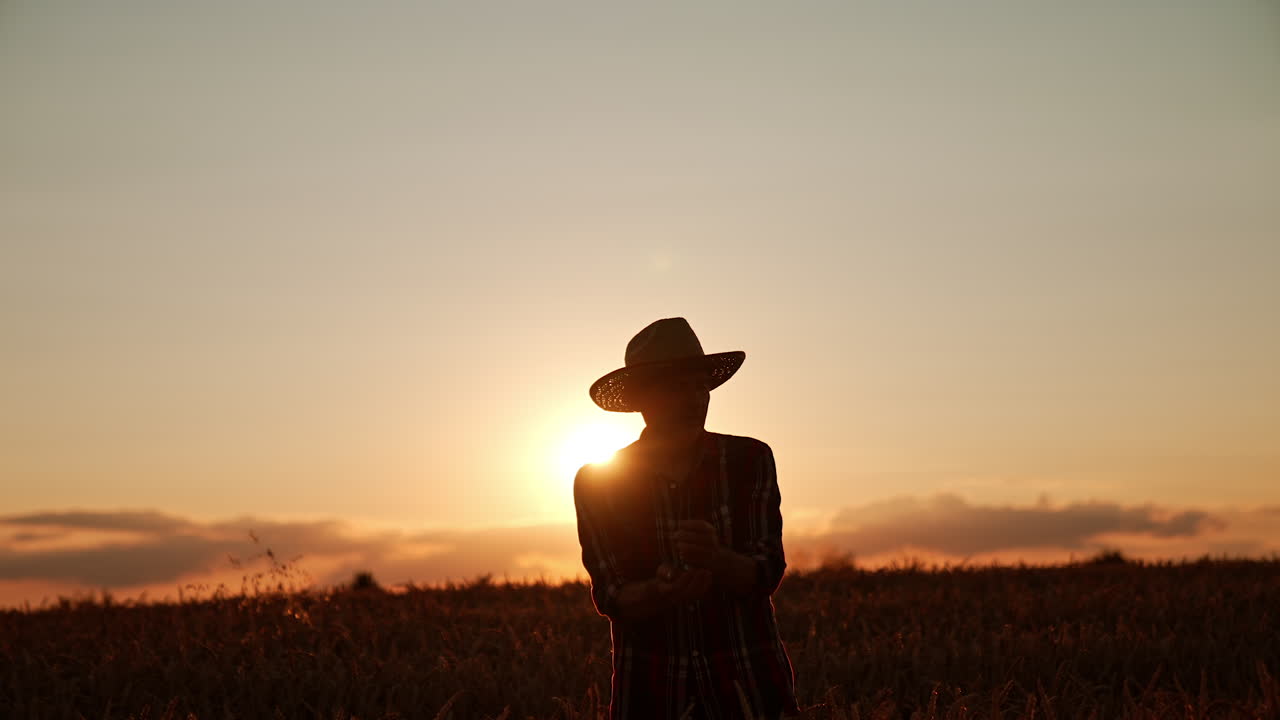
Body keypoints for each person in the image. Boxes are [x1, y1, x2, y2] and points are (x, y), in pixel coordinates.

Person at [574, 317, 799, 720]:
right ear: (643, 398)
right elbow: (610, 594)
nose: (696, 397)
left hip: (748, 684)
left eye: (700, 385)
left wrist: (717, 559)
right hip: (651, 690)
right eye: (677, 386)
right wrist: (661, 591)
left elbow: (767, 571)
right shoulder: (598, 482)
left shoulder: (749, 460)